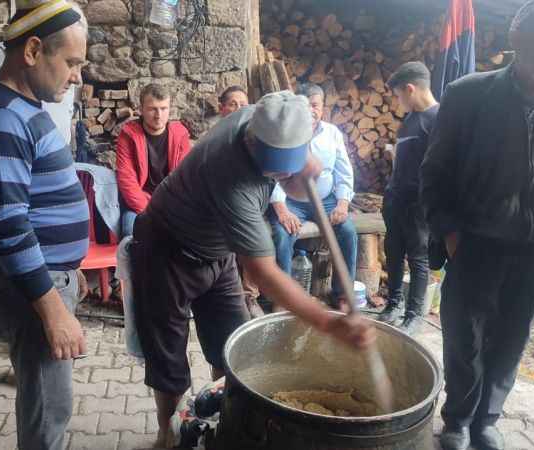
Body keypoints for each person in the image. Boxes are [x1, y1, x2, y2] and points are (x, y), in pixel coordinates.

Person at [130, 90, 376, 448]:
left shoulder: (267, 118)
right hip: (166, 250)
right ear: (251, 140)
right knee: (169, 361)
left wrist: (302, 164)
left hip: (217, 250)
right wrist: (329, 322)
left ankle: (225, 420)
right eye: (274, 166)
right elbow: (263, 273)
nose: (281, 174)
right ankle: (167, 431)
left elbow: (292, 171)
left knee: (233, 346)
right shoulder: (231, 175)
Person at [420, 2, 534, 449]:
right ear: (518, 39)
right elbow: (434, 173)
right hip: (478, 242)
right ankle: (458, 419)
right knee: (467, 339)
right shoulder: (468, 93)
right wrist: (452, 234)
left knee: (513, 339)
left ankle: (487, 420)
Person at [0, 2, 89, 449]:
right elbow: (7, 225)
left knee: (47, 401)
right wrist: (53, 307)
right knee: (47, 412)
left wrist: (70, 271)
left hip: (48, 278)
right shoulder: (1, 120)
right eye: (71, 62)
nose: (76, 76)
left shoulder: (19, 107)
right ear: (33, 50)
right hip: (33, 292)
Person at [269, 83, 358, 309]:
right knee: (281, 233)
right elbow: (275, 176)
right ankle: (284, 297)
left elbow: (343, 171)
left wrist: (343, 203)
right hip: (292, 201)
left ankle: (341, 294)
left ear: (323, 107)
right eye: (306, 105)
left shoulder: (332, 133)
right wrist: (282, 209)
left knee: (347, 231)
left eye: (316, 105)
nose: (312, 110)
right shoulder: (284, 132)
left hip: (326, 200)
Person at [377, 62, 439, 335]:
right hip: (395, 199)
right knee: (393, 253)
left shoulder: (439, 119)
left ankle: (414, 314)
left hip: (418, 205)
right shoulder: (410, 120)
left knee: (417, 257)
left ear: (410, 89)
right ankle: (393, 304)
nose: (398, 101)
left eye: (399, 95)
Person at [116, 83, 191, 237]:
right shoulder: (128, 135)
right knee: (131, 233)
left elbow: (184, 178)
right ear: (141, 109)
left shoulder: (180, 134)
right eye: (152, 109)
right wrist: (151, 213)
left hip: (171, 203)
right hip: (138, 204)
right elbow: (126, 180)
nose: (158, 115)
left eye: (164, 109)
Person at [216, 85, 263, 318]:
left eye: (243, 104)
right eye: (233, 104)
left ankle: (249, 296)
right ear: (222, 109)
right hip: (219, 207)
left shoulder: (254, 140)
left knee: (257, 231)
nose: (239, 109)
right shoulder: (213, 139)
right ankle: (226, 295)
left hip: (248, 206)